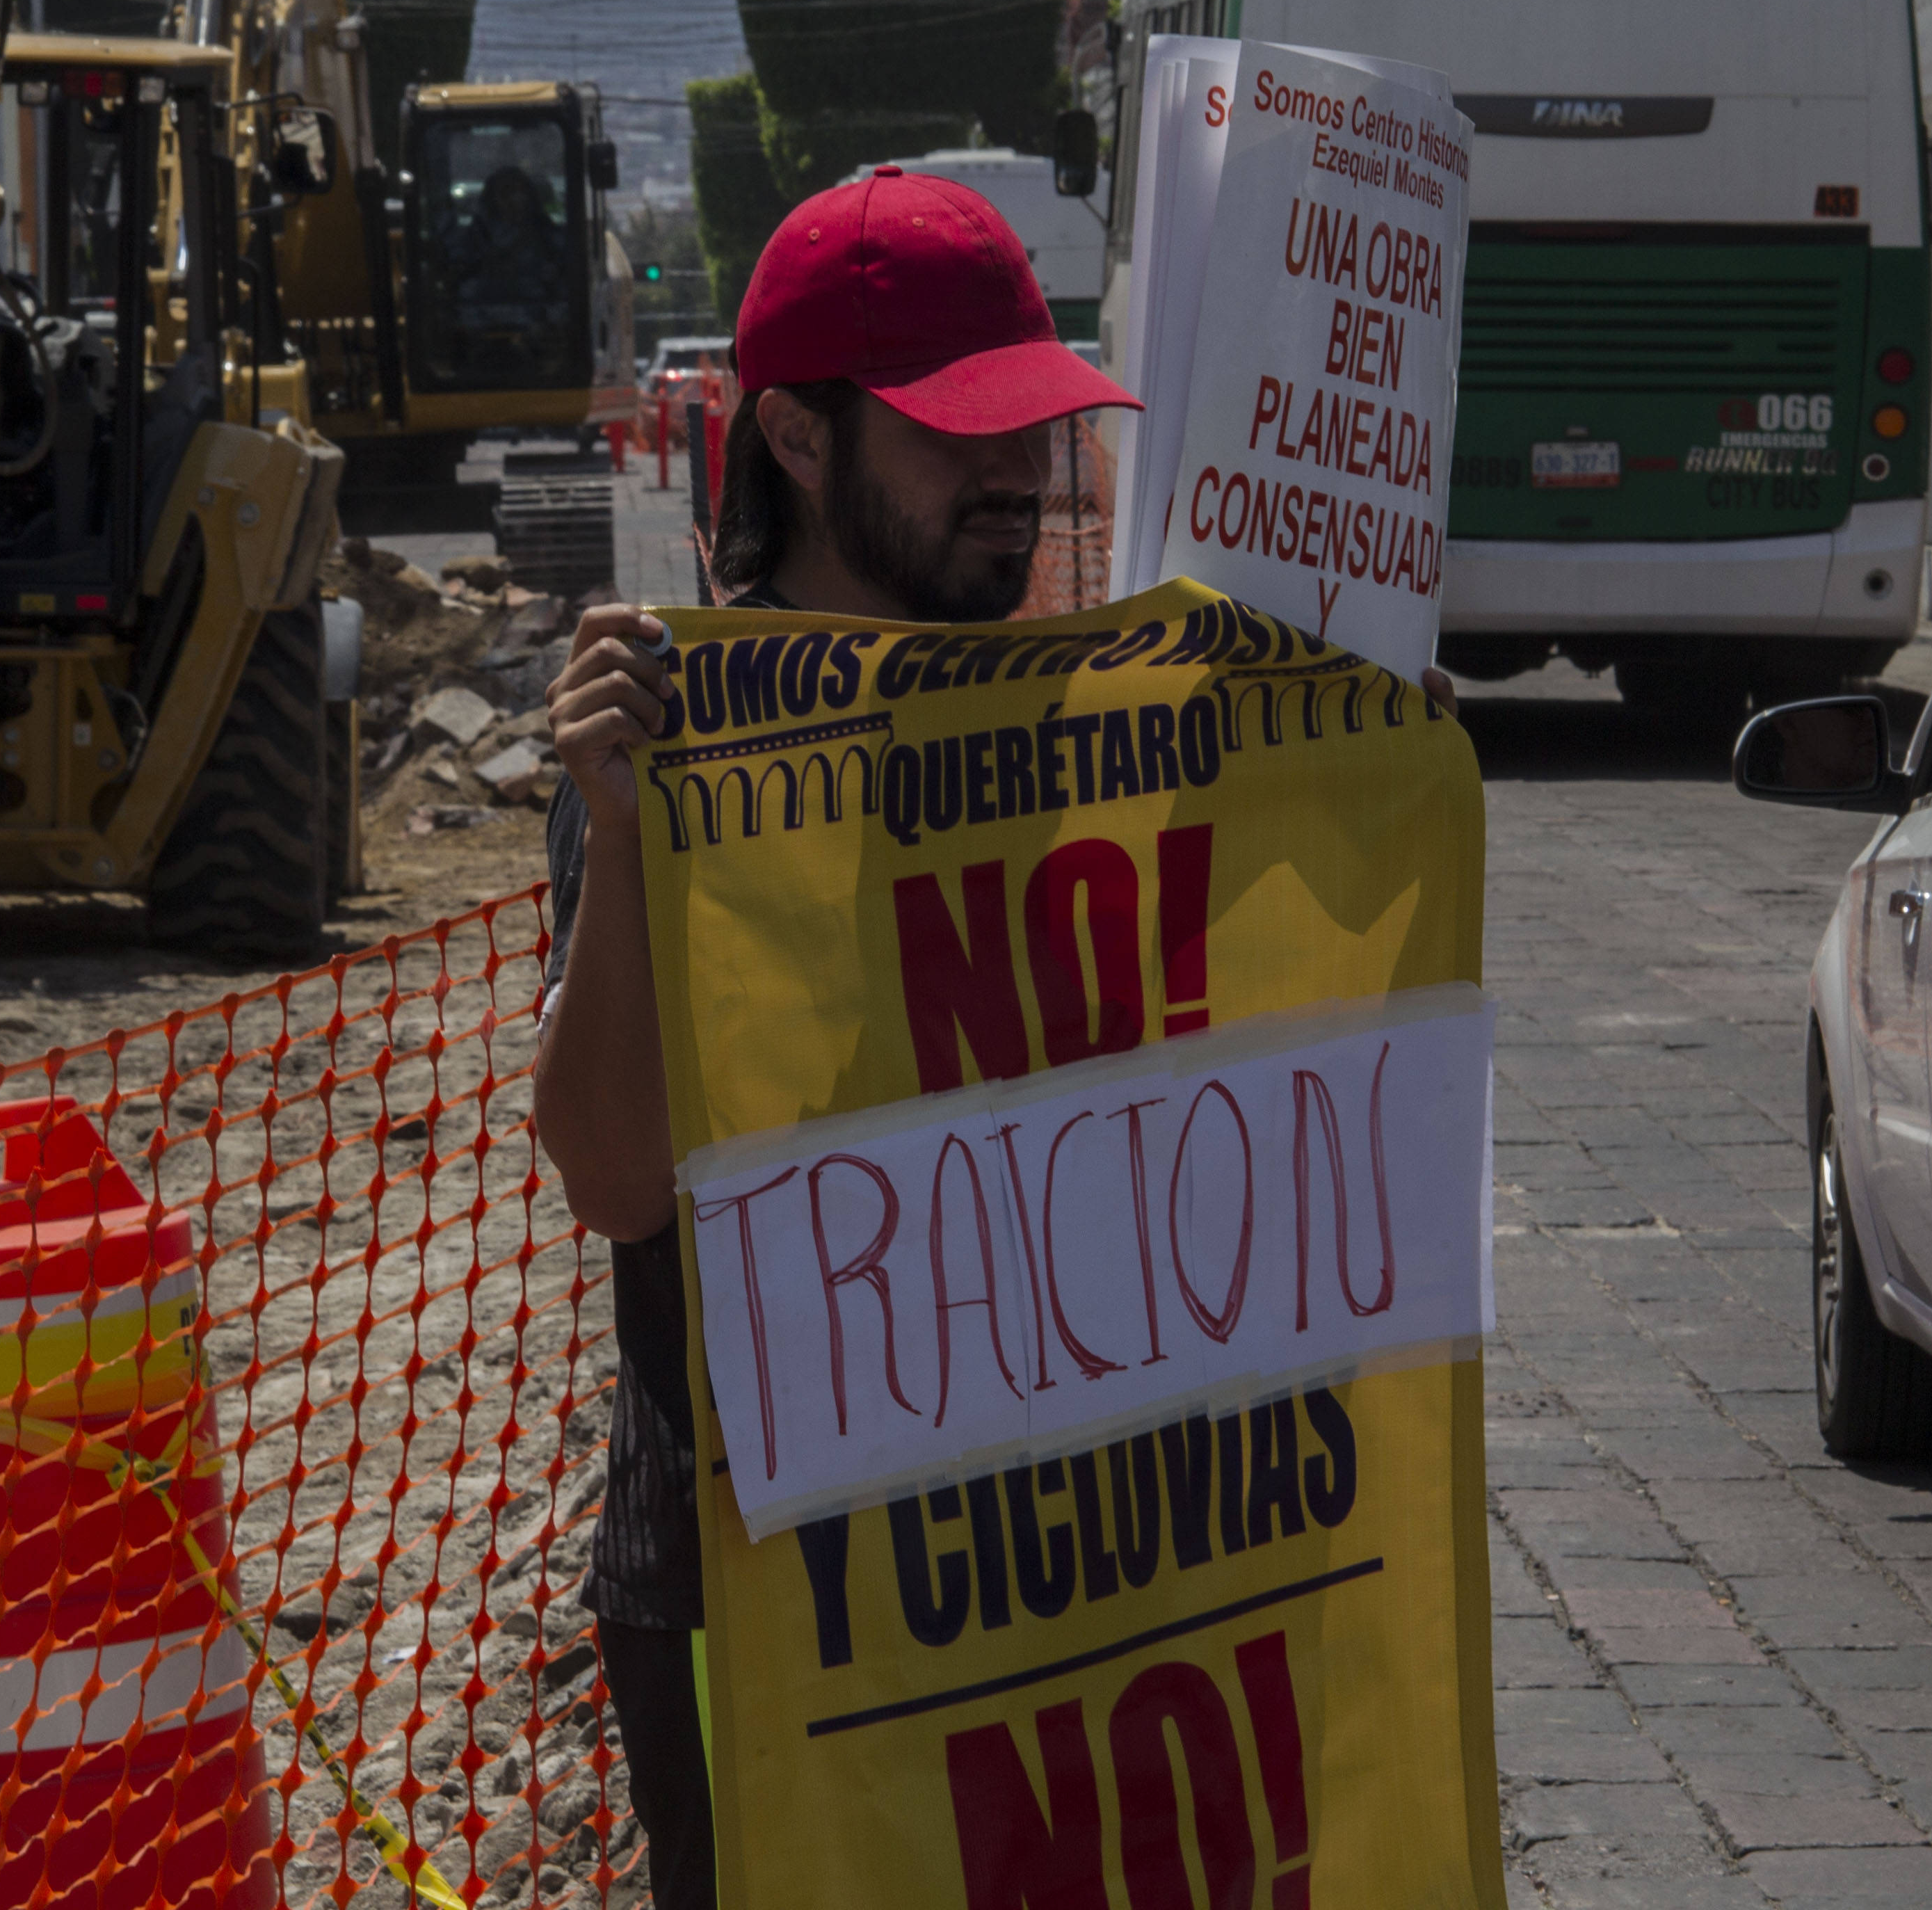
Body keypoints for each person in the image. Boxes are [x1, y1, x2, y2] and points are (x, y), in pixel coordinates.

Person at [531, 168, 1458, 1901]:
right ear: (797, 443)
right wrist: (627, 826)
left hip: (1078, 1588)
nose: (1019, 479)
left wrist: (1358, 766)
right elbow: (612, 1179)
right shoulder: (668, 733)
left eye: (1034, 426)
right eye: (961, 436)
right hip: (760, 1603)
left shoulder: (1092, 717)